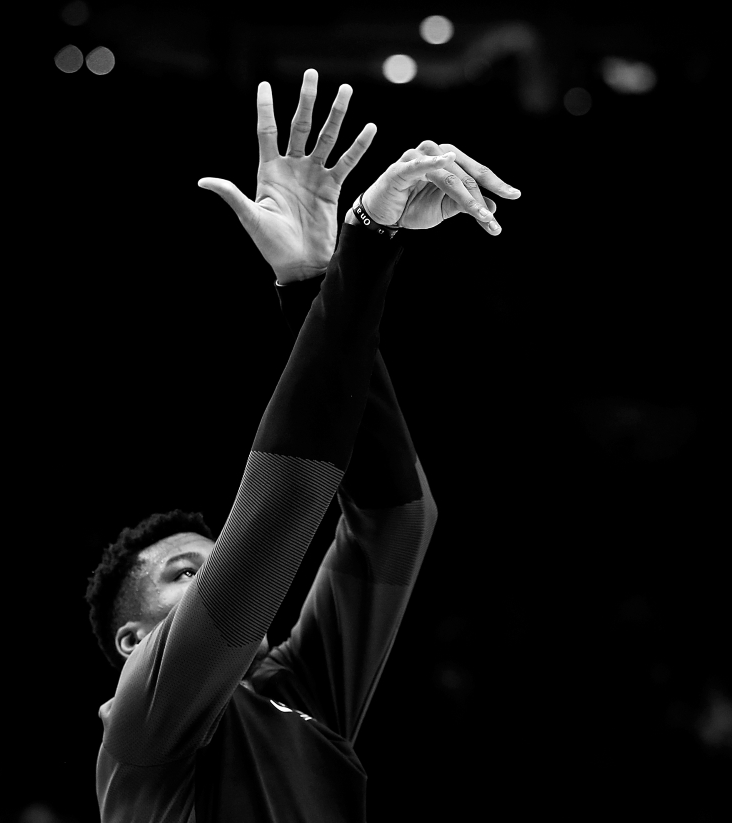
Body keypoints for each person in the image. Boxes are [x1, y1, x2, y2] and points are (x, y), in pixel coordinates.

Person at [82, 69, 520, 823]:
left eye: (215, 555)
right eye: (189, 569)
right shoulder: (140, 731)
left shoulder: (301, 693)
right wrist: (367, 249)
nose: (222, 569)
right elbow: (282, 509)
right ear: (133, 641)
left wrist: (318, 280)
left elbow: (398, 519)